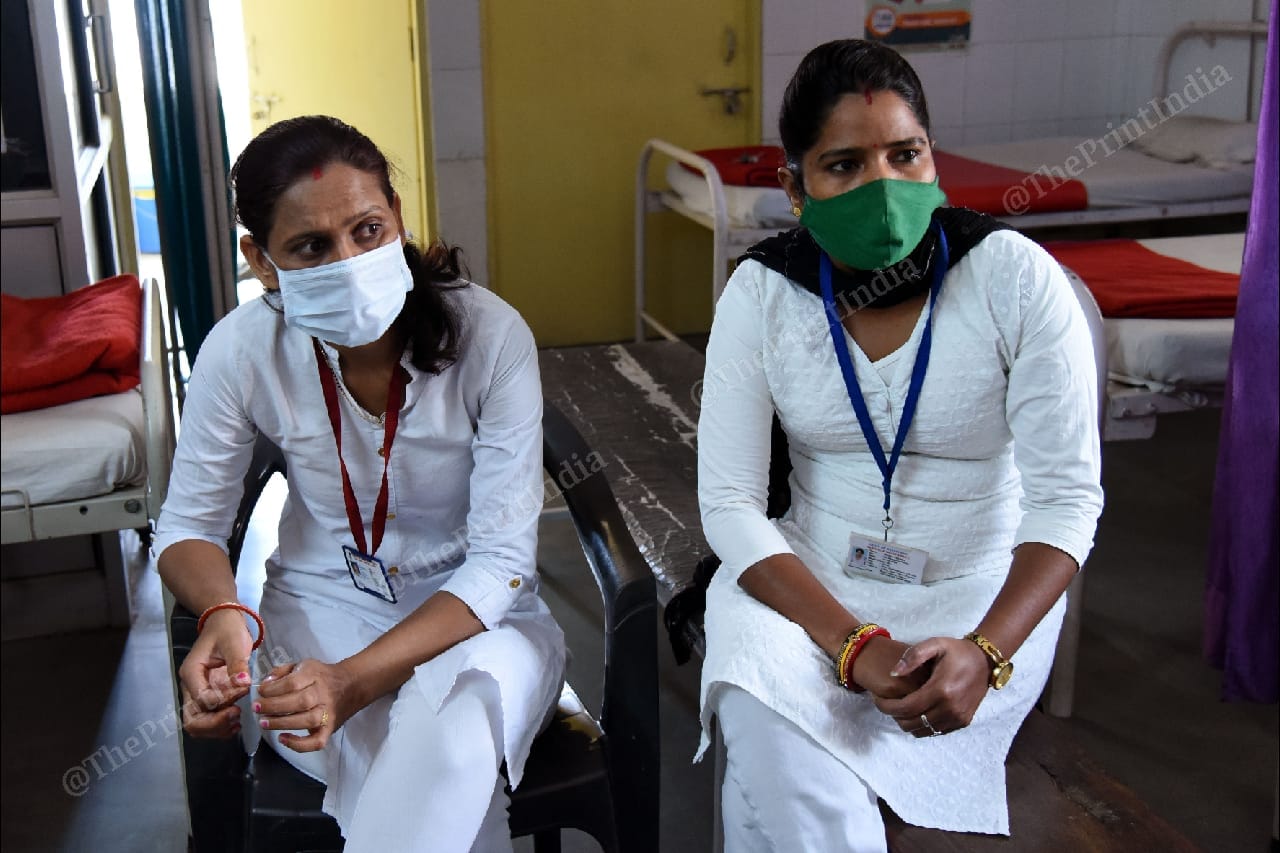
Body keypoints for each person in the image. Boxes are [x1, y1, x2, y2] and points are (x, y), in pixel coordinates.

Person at [695, 40, 1103, 850]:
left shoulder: (1015, 281)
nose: (883, 188)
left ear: (933, 159)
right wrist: (853, 644)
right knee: (759, 715)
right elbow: (730, 502)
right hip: (805, 583)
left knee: (765, 787)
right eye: (844, 165)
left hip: (977, 600)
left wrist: (987, 653)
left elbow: (1067, 500)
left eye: (905, 154)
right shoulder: (764, 294)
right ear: (795, 187)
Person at [154, 115, 565, 852]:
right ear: (261, 259)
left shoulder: (492, 336)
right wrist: (221, 611)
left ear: (399, 219)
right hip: (322, 608)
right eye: (311, 246)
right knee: (424, 757)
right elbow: (187, 526)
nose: (347, 260)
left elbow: (502, 565)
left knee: (457, 714)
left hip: (477, 613)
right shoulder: (243, 349)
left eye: (367, 230)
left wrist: (354, 682)